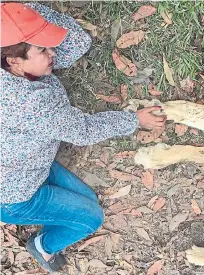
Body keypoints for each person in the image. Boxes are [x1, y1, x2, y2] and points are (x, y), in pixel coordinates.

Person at [0, 2, 166, 273]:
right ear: (14, 61)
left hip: (24, 165)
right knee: (90, 218)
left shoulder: (14, 60)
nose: (53, 52)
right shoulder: (31, 104)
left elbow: (76, 42)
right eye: (42, 49)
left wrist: (18, 13)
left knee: (87, 197)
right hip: (14, 195)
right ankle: (43, 246)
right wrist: (136, 120)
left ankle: (50, 217)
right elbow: (83, 131)